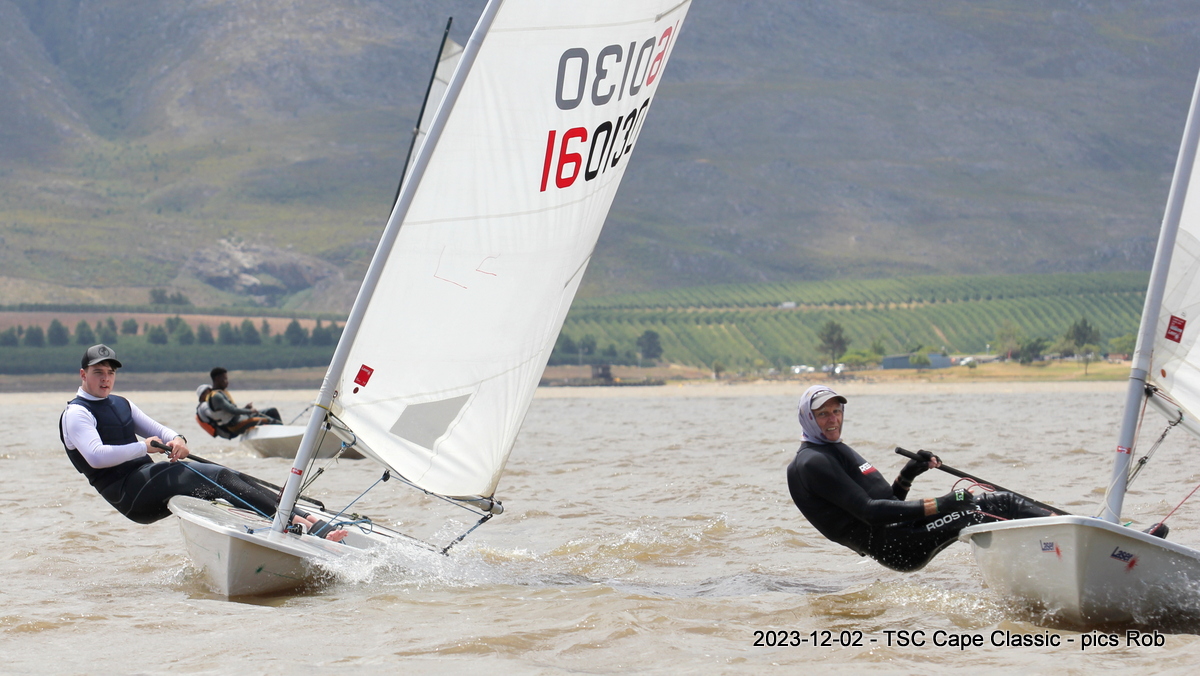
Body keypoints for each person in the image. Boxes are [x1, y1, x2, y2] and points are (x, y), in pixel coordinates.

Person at [60, 344, 345, 540]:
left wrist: (178, 440)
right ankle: (292, 523)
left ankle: (305, 519)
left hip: (148, 479)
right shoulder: (77, 414)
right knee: (210, 476)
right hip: (130, 496)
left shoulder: (122, 403)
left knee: (227, 474)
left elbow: (159, 430)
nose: (106, 379)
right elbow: (96, 456)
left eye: (110, 373)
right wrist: (143, 447)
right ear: (83, 375)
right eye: (98, 373)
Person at [786, 384, 1056, 572]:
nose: (833, 419)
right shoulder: (813, 462)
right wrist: (944, 503)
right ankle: (1062, 538)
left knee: (993, 507)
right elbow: (870, 513)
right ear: (808, 418)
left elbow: (889, 503)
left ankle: (1043, 555)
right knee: (996, 505)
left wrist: (908, 473)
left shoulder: (831, 449)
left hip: (902, 531)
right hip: (898, 544)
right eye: (822, 414)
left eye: (836, 411)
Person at [200, 367, 282, 438]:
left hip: (240, 418)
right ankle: (280, 437)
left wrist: (245, 408)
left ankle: (283, 433)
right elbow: (232, 410)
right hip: (235, 425)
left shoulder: (220, 392)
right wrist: (250, 411)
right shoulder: (216, 396)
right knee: (270, 420)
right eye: (224, 379)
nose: (227, 382)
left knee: (272, 411)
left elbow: (230, 411)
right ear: (217, 379)